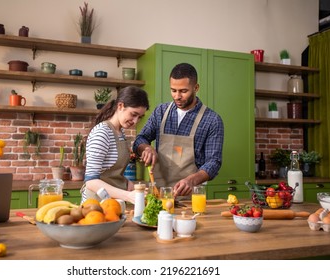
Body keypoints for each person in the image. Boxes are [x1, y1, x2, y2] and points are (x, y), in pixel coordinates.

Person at [133, 63, 224, 197]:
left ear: (196, 88)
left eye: (183, 91)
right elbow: (140, 139)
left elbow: (214, 161)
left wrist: (191, 180)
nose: (177, 96)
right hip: (158, 193)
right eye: (173, 90)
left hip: (190, 195)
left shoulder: (212, 120)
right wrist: (145, 148)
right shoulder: (161, 111)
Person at [81, 86, 150, 204]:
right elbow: (91, 182)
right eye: (133, 114)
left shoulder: (120, 133)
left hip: (112, 204)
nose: (135, 121)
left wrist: (127, 183)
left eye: (140, 117)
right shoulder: (102, 133)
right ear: (120, 106)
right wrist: (128, 196)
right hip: (96, 206)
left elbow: (111, 172)